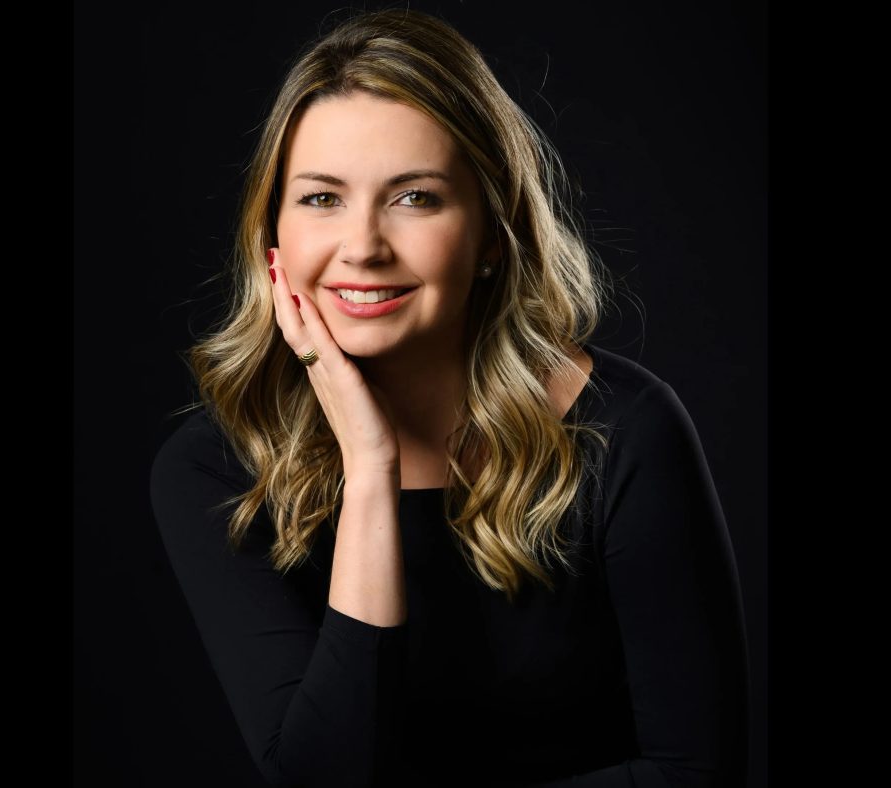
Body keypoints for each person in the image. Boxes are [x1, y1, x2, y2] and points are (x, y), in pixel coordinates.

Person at [150, 8, 748, 787]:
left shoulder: (626, 432)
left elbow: (695, 771)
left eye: (415, 198)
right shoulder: (213, 469)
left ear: (493, 233)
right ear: (274, 238)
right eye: (322, 199)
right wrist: (371, 469)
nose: (363, 247)